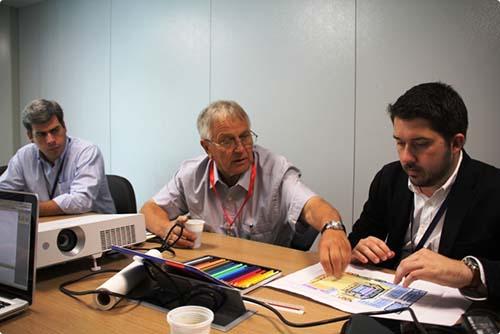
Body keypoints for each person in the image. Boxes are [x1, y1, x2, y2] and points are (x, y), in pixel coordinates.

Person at [141, 100, 351, 277]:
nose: (240, 149)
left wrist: (332, 228)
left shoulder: (276, 171)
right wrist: (165, 229)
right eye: (227, 141)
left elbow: (313, 205)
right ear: (207, 147)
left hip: (266, 273)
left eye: (245, 137)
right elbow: (149, 210)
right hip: (212, 270)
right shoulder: (191, 174)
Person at [349, 82, 500, 303]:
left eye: (420, 144)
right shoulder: (389, 178)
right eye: (400, 143)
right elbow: (357, 238)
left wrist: (467, 272)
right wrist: (358, 249)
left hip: (456, 315)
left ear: (456, 143)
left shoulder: (493, 189)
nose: (406, 158)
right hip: (390, 306)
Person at [0, 99, 116, 216]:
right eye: (41, 134)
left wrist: (30, 209)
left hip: (95, 227)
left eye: (54, 130)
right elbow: (2, 194)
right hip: (52, 225)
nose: (50, 140)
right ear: (31, 136)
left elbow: (81, 201)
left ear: (64, 127)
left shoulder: (86, 151)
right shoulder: (24, 156)